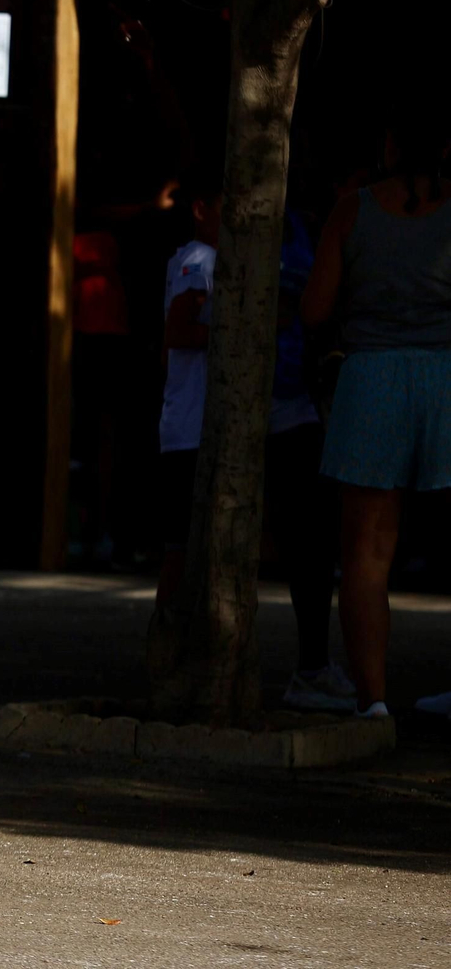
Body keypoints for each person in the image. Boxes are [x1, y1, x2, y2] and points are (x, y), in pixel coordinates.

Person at [155, 172, 351, 710]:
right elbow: (179, 330)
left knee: (250, 541)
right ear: (204, 207)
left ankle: (191, 659)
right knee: (185, 548)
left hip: (264, 412)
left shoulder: (232, 250)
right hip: (206, 425)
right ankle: (172, 658)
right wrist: (254, 328)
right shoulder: (202, 258)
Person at [302, 101, 451, 719]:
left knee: (365, 554)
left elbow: (313, 310)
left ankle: (374, 702)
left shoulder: (351, 211)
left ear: (389, 145)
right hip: (445, 377)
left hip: (370, 382)